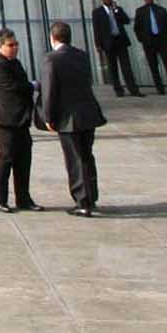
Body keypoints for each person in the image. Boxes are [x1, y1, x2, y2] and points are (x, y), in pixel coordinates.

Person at [37, 21, 107, 216]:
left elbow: (48, 90)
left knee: (74, 159)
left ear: (53, 38)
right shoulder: (82, 56)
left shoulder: (51, 59)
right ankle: (91, 197)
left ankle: (82, 201)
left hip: (68, 117)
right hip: (87, 112)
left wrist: (48, 117)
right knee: (86, 156)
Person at [0, 29, 40, 213]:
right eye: (11, 45)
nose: (15, 48)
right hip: (4, 119)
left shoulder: (15, 63)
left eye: (16, 44)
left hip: (20, 118)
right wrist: (32, 86)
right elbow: (13, 87)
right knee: (7, 155)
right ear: (0, 47)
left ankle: (24, 198)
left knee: (24, 158)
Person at [90, 0, 139, 97]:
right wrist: (98, 44)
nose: (108, 0)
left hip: (120, 41)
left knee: (126, 66)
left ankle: (133, 89)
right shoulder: (98, 12)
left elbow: (126, 21)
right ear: (103, 0)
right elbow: (96, 29)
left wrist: (116, 10)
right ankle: (118, 90)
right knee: (113, 68)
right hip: (108, 42)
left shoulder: (117, 9)